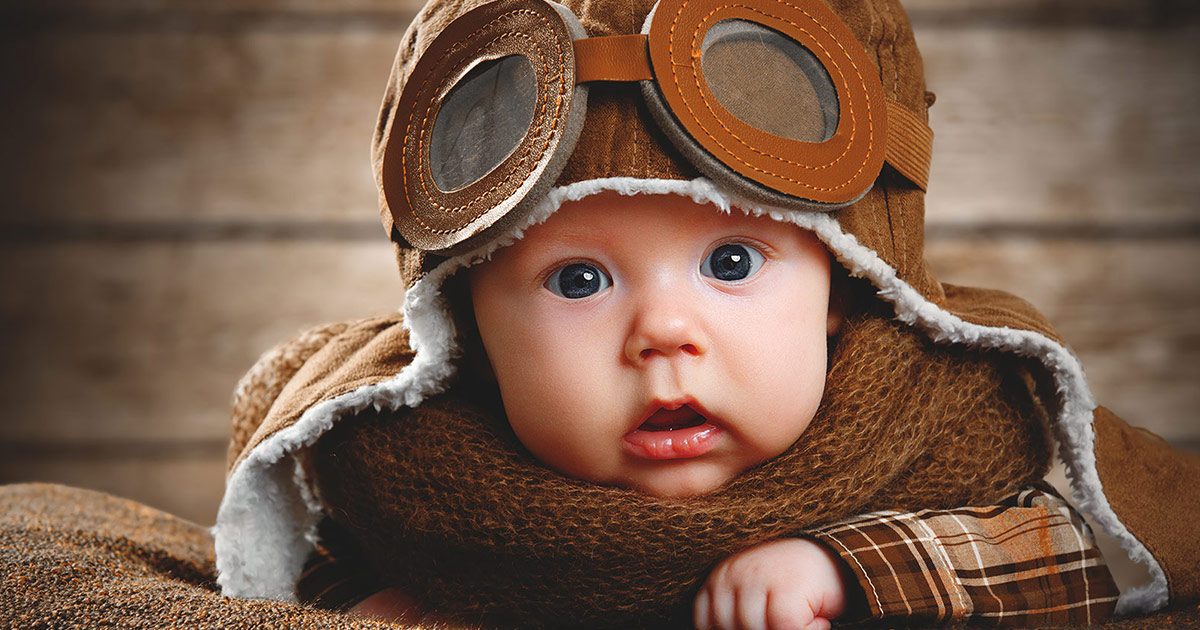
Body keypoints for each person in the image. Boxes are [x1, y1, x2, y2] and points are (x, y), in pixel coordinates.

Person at [212, 0, 1200, 627]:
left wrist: (849, 570)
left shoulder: (935, 419)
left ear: (840, 299)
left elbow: (1089, 551)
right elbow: (317, 551)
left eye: (732, 261)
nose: (662, 336)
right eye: (579, 281)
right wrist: (373, 603)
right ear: (468, 332)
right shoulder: (422, 477)